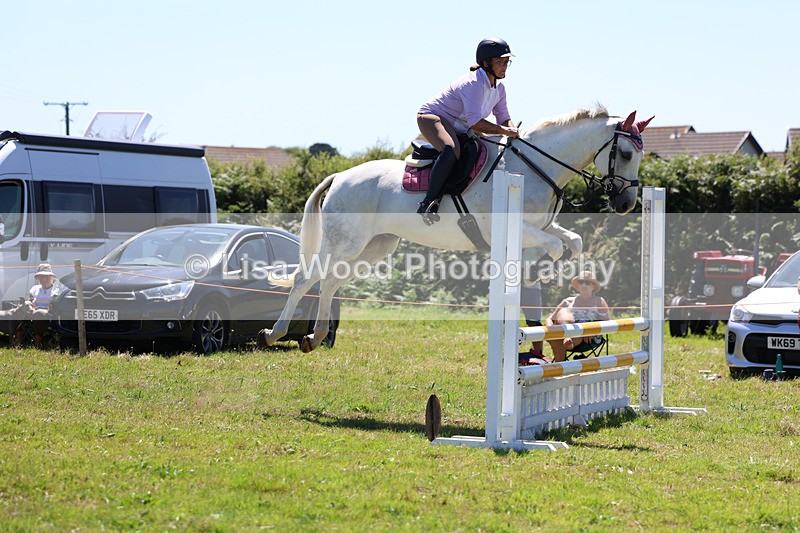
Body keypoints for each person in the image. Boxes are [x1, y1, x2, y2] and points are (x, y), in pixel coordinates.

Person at [415, 37, 520, 224]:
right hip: (432, 117)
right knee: (451, 148)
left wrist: (514, 132)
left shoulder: (499, 88)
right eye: (500, 62)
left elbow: (503, 117)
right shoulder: (473, 84)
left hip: (458, 125)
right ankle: (428, 203)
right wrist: (505, 130)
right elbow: (475, 123)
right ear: (486, 63)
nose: (504, 66)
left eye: (506, 62)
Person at [545, 271, 610, 362]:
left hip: (589, 339)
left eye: (587, 283)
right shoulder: (568, 301)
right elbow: (550, 319)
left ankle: (560, 367)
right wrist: (551, 331)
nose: (583, 285)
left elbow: (607, 323)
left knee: (558, 339)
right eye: (581, 282)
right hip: (564, 334)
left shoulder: (599, 301)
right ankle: (567, 338)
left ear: (593, 287)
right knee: (563, 312)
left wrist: (591, 330)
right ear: (578, 286)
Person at [14, 263, 59, 348]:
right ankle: (18, 337)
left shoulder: (56, 290)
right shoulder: (35, 289)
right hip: (33, 312)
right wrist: (29, 308)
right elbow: (31, 302)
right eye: (41, 277)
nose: (44, 279)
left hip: (49, 315)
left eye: (47, 277)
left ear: (52, 278)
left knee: (39, 313)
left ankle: (38, 341)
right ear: (38, 278)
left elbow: (54, 307)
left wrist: (37, 310)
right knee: (18, 310)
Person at [519, 282, 550, 364]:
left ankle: (538, 354)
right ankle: (505, 352)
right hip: (507, 284)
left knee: (535, 321)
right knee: (506, 322)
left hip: (531, 284)